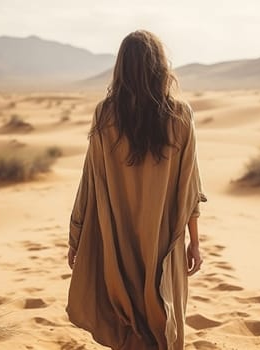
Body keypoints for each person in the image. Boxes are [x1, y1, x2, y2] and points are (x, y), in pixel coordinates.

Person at [66, 30, 206, 350]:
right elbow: (190, 189)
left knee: (127, 319)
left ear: (121, 69)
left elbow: (89, 183)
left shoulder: (105, 114)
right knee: (162, 318)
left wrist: (76, 238)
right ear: (160, 67)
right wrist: (194, 243)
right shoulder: (181, 116)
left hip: (118, 239)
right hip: (162, 239)